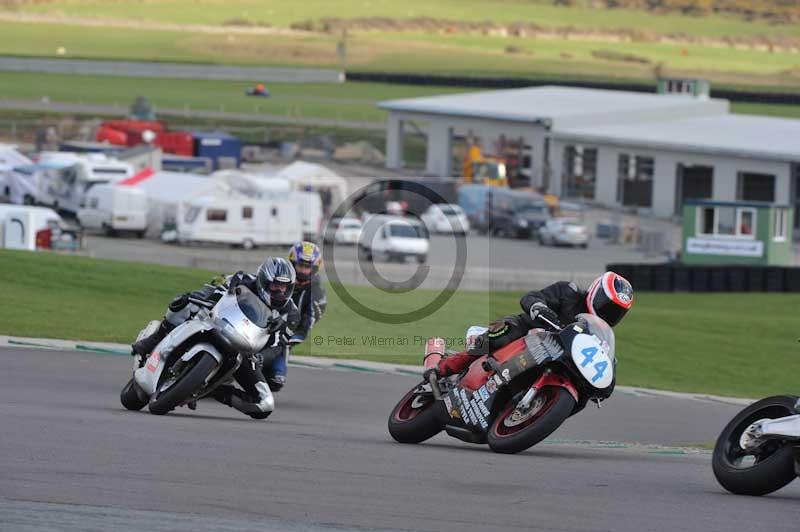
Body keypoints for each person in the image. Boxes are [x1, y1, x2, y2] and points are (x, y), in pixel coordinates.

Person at [131, 257, 300, 418]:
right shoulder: (243, 278)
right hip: (214, 321)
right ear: (264, 280)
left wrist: (263, 356)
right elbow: (215, 288)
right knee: (181, 303)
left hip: (245, 350)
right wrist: (200, 296)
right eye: (276, 285)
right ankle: (154, 339)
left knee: (265, 404)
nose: (280, 290)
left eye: (285, 286)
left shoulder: (291, 314)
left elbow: (279, 345)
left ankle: (218, 391)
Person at [426, 271, 634, 379]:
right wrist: (539, 306)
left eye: (616, 312)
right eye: (607, 305)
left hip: (556, 360)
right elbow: (533, 296)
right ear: (596, 292)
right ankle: (443, 368)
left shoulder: (597, 332)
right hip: (526, 332)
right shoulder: (568, 292)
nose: (609, 313)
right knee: (503, 333)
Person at [261, 241, 328, 391]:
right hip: (259, 319)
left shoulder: (317, 293)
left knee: (275, 381)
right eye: (300, 265)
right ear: (292, 263)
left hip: (286, 331)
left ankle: (272, 371)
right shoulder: (278, 275)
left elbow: (307, 324)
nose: (303, 270)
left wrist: (289, 337)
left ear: (314, 268)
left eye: (307, 267)